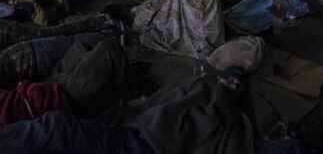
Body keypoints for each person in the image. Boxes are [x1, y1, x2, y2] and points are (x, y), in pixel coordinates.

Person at [0, 66, 255, 154]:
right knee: (55, 127)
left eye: (236, 82)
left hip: (143, 149)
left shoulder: (231, 120)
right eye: (228, 77)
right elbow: (154, 101)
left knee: (54, 129)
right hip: (128, 134)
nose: (229, 83)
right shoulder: (196, 85)